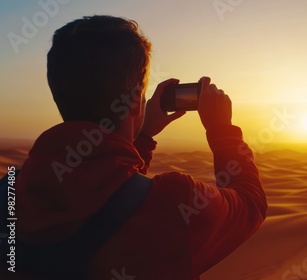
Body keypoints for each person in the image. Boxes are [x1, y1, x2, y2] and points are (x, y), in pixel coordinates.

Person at [9, 15, 267, 279]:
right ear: (135, 102)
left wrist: (141, 136)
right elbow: (251, 203)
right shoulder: (176, 205)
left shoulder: (9, 192)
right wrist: (222, 129)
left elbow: (107, 188)